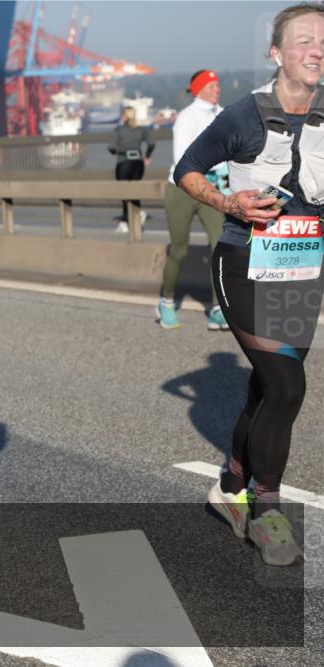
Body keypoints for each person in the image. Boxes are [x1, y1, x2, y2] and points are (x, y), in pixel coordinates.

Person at [175, 3, 323, 567]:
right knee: (286, 388)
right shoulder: (243, 115)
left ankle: (229, 484)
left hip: (303, 266)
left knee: (267, 389)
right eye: (304, 40)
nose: (316, 50)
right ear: (277, 53)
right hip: (244, 263)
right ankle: (267, 511)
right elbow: (185, 168)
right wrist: (226, 200)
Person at [158, 70, 229, 330]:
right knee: (179, 250)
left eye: (218, 85)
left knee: (219, 246)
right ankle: (166, 302)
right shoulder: (186, 117)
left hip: (212, 188)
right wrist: (212, 169)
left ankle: (218, 308)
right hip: (183, 189)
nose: (216, 89)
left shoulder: (224, 114)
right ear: (198, 89)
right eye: (211, 86)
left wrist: (227, 172)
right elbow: (181, 158)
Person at [108, 107, 155, 232]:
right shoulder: (142, 130)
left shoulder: (119, 130)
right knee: (135, 190)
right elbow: (151, 144)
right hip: (138, 163)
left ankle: (125, 221)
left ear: (123, 116)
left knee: (124, 192)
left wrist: (117, 151)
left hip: (123, 162)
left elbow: (111, 147)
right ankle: (138, 214)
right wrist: (147, 155)